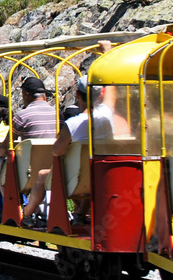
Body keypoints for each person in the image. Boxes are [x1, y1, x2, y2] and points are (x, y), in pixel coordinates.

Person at [22, 75, 110, 226]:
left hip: (78, 177)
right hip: (102, 173)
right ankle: (81, 213)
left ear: (77, 95)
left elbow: (56, 151)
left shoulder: (73, 124)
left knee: (43, 175)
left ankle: (27, 214)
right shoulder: (108, 120)